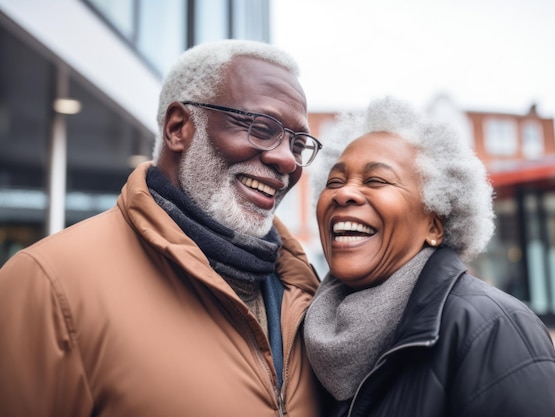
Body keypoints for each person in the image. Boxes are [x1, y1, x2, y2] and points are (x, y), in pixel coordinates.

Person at [0, 40, 325, 416]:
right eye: (261, 127)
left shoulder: (306, 295)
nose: (286, 160)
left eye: (298, 144)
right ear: (178, 128)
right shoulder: (47, 283)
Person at [304, 96, 555, 416]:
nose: (343, 193)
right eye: (334, 182)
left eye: (376, 180)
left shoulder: (493, 327)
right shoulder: (304, 326)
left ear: (434, 225)